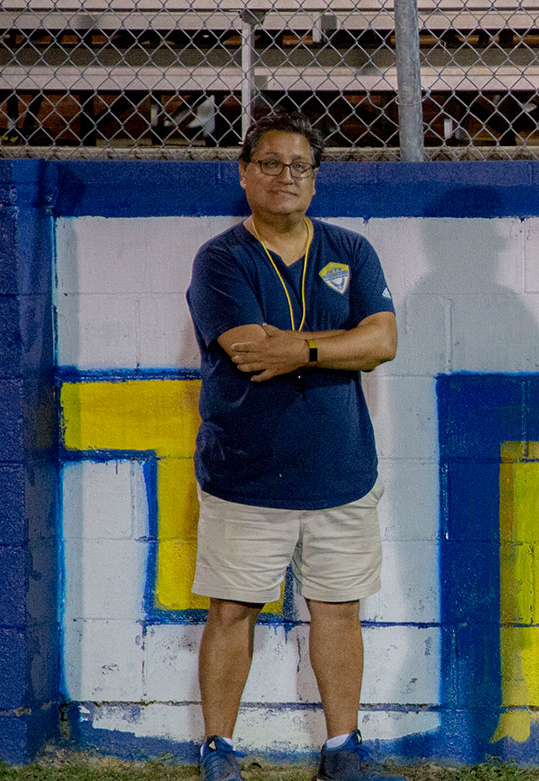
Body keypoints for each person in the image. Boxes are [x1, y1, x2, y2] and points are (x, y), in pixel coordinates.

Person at [185, 110, 398, 781]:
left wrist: (299, 347)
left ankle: (343, 752)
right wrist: (339, 348)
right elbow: (249, 352)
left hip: (341, 474)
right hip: (245, 475)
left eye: (299, 166)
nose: (285, 175)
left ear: (316, 180)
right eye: (270, 163)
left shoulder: (351, 250)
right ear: (244, 172)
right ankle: (217, 750)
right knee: (232, 610)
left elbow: (384, 341)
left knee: (339, 613)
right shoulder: (221, 258)